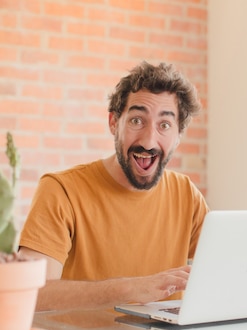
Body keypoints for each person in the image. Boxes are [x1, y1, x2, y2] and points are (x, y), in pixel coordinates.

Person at [18, 61, 209, 312]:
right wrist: (131, 290)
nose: (149, 140)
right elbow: (29, 295)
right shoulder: (61, 190)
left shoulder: (187, 195)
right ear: (113, 123)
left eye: (164, 125)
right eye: (137, 121)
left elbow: (227, 274)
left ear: (178, 135)